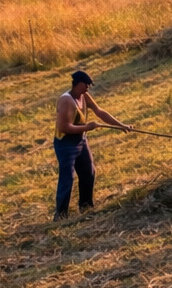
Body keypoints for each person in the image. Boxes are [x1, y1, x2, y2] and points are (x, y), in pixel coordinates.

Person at [53, 70, 131, 219]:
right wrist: (86, 127)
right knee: (67, 178)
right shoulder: (66, 100)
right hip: (66, 144)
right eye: (86, 84)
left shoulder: (84, 96)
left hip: (81, 141)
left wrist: (121, 125)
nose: (88, 88)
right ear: (78, 84)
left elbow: (99, 112)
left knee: (89, 173)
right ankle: (61, 215)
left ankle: (86, 207)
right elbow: (64, 127)